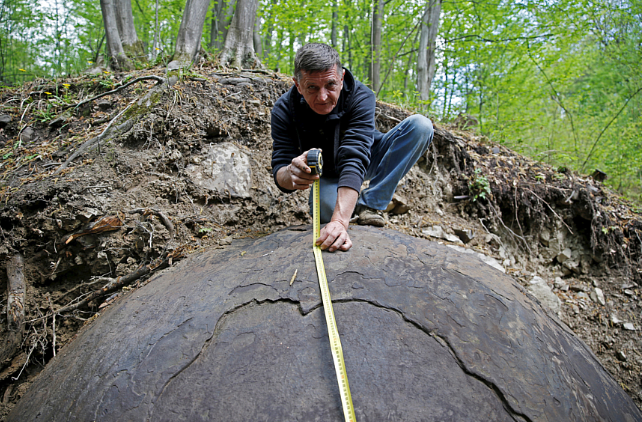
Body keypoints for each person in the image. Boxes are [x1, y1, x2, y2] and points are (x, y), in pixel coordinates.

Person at [271, 43, 434, 252]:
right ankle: (351, 203)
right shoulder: (283, 109)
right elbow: (280, 168)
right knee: (325, 215)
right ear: (297, 84)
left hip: (371, 158)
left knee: (420, 126)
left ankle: (371, 203)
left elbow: (355, 156)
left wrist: (340, 222)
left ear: (341, 78)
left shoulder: (361, 96)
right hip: (327, 174)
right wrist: (290, 174)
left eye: (330, 85)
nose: (322, 97)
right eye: (312, 87)